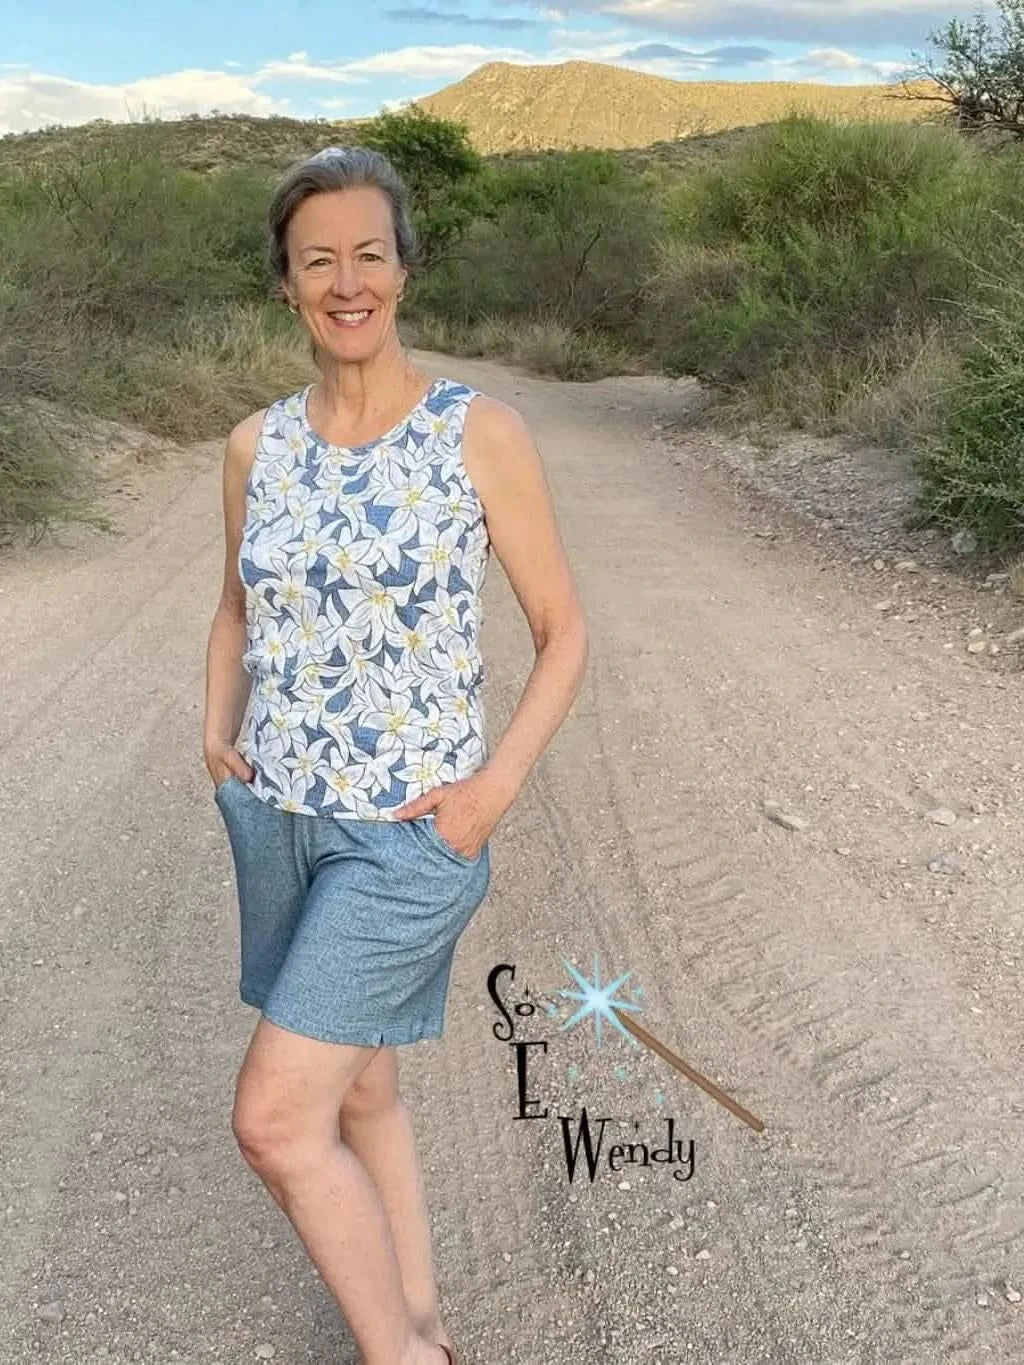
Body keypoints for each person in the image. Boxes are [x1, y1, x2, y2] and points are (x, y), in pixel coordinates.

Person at [202, 144, 589, 1365]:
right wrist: (215, 730)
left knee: (273, 1121)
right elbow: (235, 606)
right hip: (279, 820)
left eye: (370, 252)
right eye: (319, 259)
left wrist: (492, 791)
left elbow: (561, 631)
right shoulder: (254, 448)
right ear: (286, 285)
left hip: (409, 837)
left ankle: (399, 1357)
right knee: (358, 1090)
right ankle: (424, 1321)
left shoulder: (479, 432)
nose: (346, 279)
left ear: (406, 270)